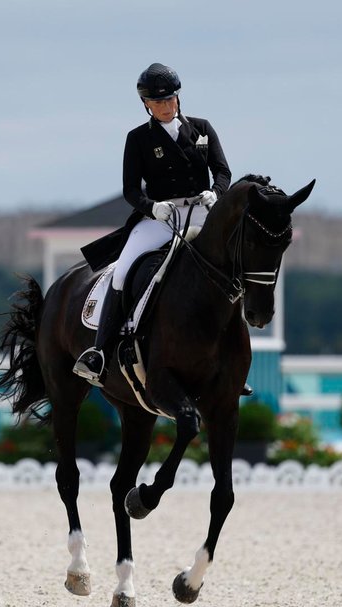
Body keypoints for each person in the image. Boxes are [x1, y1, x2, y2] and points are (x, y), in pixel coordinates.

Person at [74, 62, 232, 386]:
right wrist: (152, 207)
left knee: (233, 265)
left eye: (170, 99)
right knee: (122, 270)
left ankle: (233, 353)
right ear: (146, 103)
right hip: (160, 217)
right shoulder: (138, 139)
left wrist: (215, 193)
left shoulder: (202, 128)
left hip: (201, 211)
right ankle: (100, 352)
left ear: (178, 97)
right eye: (158, 102)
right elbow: (130, 189)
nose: (165, 106)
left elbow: (223, 171)